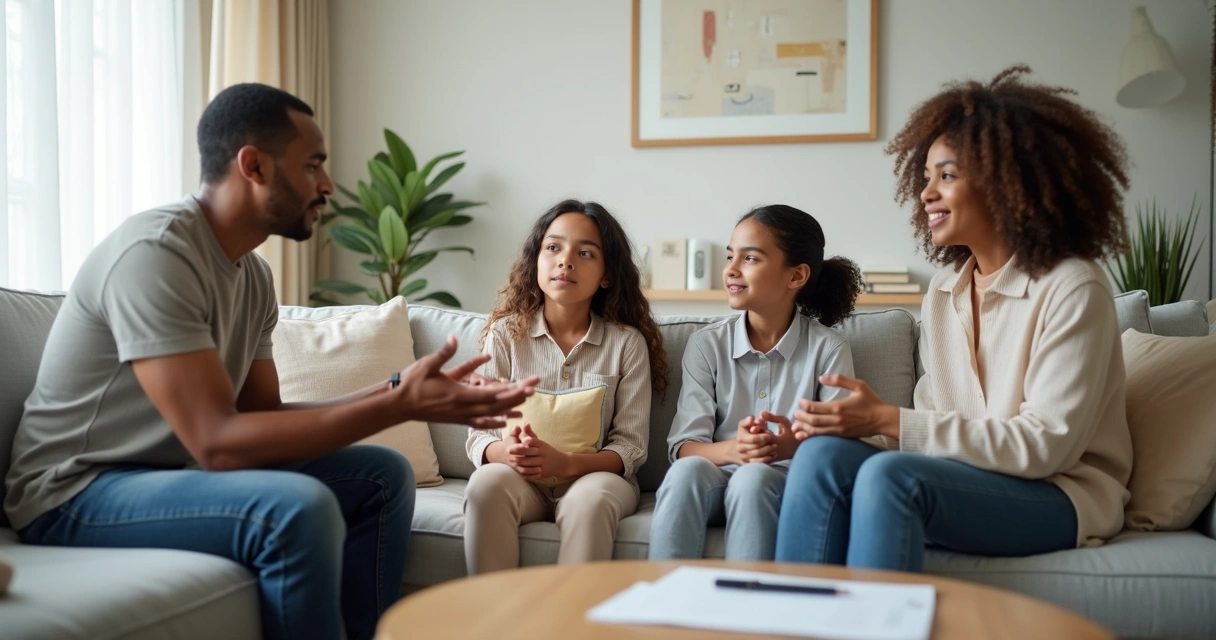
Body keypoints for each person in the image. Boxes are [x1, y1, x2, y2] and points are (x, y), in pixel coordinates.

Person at [3, 83, 537, 640]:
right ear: (253, 165)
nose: (327, 185)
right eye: (313, 166)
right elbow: (217, 439)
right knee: (297, 507)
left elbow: (265, 415)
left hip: (163, 474)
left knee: (382, 475)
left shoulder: (252, 276)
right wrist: (396, 403)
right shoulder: (157, 255)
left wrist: (397, 389)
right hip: (72, 490)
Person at [774, 65, 1134, 572]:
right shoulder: (945, 293)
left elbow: (1045, 447)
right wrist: (840, 428)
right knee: (820, 459)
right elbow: (936, 424)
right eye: (926, 178)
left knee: (892, 478)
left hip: (1061, 494)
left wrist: (889, 419)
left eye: (946, 175)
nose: (925, 194)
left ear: (1009, 182)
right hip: (966, 478)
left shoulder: (1072, 286)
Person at [462, 199, 667, 574]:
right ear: (536, 261)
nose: (565, 260)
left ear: (606, 274)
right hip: (521, 482)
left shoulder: (626, 343)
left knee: (588, 501)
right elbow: (480, 434)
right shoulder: (505, 335)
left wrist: (567, 462)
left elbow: (631, 447)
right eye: (553, 247)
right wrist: (504, 452)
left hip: (597, 480)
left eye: (585, 253)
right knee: (485, 486)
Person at [648, 205, 862, 561]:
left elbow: (839, 449)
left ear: (796, 276)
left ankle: (749, 604)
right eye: (731, 256)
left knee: (754, 479)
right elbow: (684, 447)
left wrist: (792, 445)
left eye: (750, 258)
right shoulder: (706, 344)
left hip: (783, 486)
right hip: (713, 479)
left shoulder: (829, 348)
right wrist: (735, 451)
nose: (731, 269)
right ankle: (662, 601)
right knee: (687, 471)